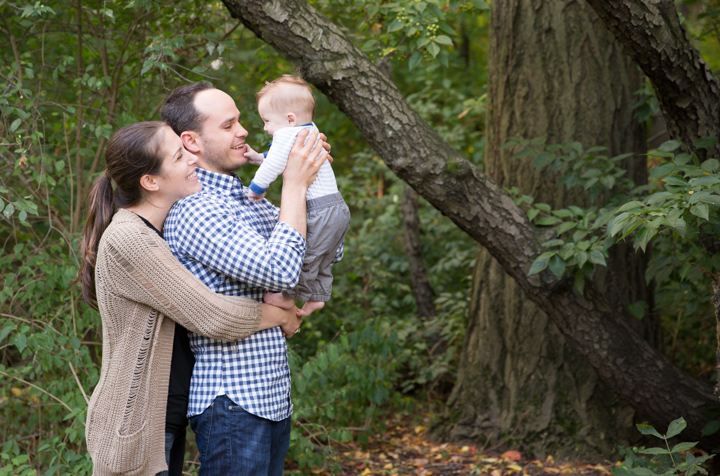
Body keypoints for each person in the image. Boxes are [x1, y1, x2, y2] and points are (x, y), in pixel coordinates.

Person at [75, 121, 303, 476]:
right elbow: (213, 315)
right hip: (135, 422)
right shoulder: (130, 240)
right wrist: (281, 317)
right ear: (151, 182)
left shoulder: (161, 229)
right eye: (179, 156)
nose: (192, 160)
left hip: (167, 416)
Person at [160, 82, 331, 476]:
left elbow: (325, 250)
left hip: (271, 398)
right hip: (232, 402)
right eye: (228, 125)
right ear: (192, 141)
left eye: (240, 121)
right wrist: (293, 184)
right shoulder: (195, 210)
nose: (244, 132)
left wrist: (315, 182)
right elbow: (282, 269)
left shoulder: (246, 200)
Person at [244, 75, 350, 317]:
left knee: (307, 255)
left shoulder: (284, 135)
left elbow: (274, 167)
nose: (265, 128)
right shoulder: (309, 131)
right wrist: (257, 157)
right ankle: (317, 297)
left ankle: (287, 296)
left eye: (267, 120)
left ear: (289, 119)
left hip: (319, 209)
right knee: (323, 255)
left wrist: (256, 189)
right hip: (337, 207)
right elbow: (280, 160)